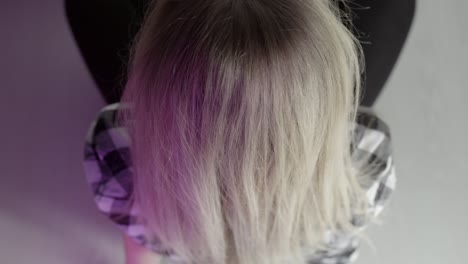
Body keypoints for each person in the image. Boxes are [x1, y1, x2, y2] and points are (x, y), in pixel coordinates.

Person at [80, 0, 400, 263]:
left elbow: (141, 251)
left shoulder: (114, 151)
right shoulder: (366, 158)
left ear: (148, 72)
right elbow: (339, 253)